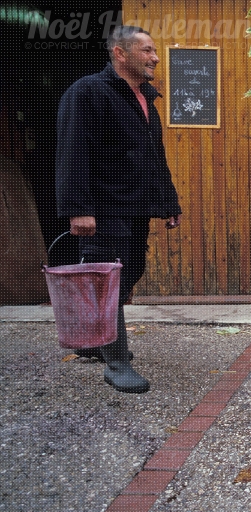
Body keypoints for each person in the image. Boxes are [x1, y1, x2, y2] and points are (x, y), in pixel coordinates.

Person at [55, 26, 182, 394]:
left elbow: (155, 158)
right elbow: (72, 151)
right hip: (103, 208)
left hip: (134, 208)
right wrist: (78, 208)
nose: (155, 58)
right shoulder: (88, 92)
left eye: (154, 51)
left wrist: (168, 202)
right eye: (147, 50)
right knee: (106, 285)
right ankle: (117, 363)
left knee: (131, 272)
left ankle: (95, 340)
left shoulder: (144, 99)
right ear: (120, 53)